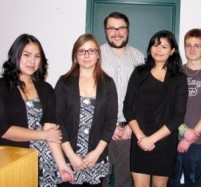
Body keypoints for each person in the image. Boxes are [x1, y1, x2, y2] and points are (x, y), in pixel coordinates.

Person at [0, 34, 74, 186]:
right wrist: (43, 135)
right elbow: (4, 130)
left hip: (46, 161)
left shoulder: (45, 88)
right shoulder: (2, 87)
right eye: (26, 55)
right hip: (16, 161)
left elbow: (51, 129)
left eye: (37, 56)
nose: (32, 61)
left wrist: (61, 165)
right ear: (15, 54)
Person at [123, 30, 188, 187]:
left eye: (164, 46)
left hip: (164, 142)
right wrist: (141, 137)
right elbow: (128, 107)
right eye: (155, 45)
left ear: (172, 51)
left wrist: (151, 139)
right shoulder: (139, 73)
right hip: (140, 140)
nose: (158, 50)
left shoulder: (179, 79)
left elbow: (178, 116)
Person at [55, 34, 118, 187]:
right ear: (75, 55)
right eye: (81, 51)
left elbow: (110, 122)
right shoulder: (64, 82)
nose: (86, 55)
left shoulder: (108, 84)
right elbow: (58, 120)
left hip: (95, 158)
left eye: (91, 50)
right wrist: (71, 155)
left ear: (98, 54)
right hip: (68, 157)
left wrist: (96, 153)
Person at [168, 28, 201, 187]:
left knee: (192, 182)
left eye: (197, 45)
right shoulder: (175, 73)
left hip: (196, 141)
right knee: (171, 182)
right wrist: (184, 131)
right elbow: (167, 107)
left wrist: (191, 136)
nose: (192, 49)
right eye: (188, 45)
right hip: (170, 138)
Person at [100, 12, 145, 187]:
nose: (116, 32)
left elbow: (144, 97)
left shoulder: (139, 58)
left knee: (125, 180)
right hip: (101, 129)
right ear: (106, 31)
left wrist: (133, 128)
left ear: (128, 30)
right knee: (100, 178)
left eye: (121, 28)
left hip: (129, 129)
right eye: (112, 28)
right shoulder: (96, 56)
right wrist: (108, 127)